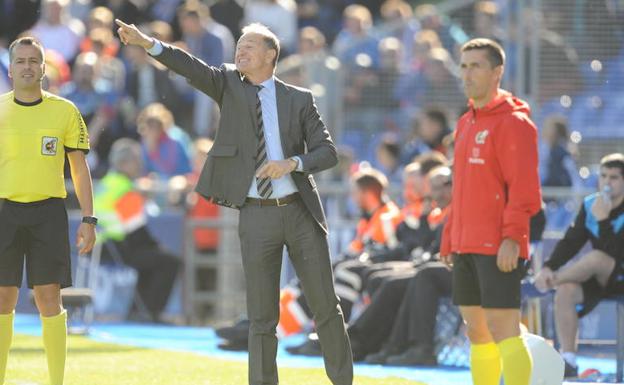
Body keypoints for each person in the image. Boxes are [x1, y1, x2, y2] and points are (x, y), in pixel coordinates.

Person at [116, 19, 353, 385]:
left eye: (249, 45)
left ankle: (342, 381)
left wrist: (292, 163)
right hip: (256, 216)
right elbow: (189, 66)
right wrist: (149, 44)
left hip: (301, 213)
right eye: (238, 44)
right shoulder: (227, 83)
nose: (240, 50)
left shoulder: (299, 99)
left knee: (326, 308)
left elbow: (327, 152)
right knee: (261, 317)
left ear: (271, 54)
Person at [439, 38, 542, 385]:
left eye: (476, 66)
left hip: (499, 245)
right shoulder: (466, 122)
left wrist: (513, 237)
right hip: (465, 243)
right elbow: (461, 188)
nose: (467, 73)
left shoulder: (514, 123)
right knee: (476, 332)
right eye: (464, 65)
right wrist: (450, 235)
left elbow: (525, 191)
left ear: (497, 72)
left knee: (504, 330)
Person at [0, 37, 96, 385]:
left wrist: (88, 218)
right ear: (10, 70)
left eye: (34, 60)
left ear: (44, 68)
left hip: (48, 213)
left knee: (48, 299)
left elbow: (79, 168)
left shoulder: (65, 111)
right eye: (21, 60)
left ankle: (56, 381)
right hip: (4, 211)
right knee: (2, 299)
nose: (27, 66)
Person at [534, 153, 624, 378]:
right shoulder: (591, 204)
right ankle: (569, 360)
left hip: (618, 273)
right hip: (601, 279)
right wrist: (548, 265)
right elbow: (571, 241)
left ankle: (551, 281)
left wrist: (603, 220)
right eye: (603, 176)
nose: (606, 182)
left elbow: (615, 253)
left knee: (596, 258)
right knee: (565, 292)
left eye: (613, 177)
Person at [95, 138, 181, 323]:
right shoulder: (126, 189)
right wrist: (157, 245)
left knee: (150, 260)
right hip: (120, 246)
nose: (140, 166)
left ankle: (137, 311)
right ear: (126, 163)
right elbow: (136, 231)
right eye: (137, 162)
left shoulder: (108, 182)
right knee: (170, 262)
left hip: (102, 246)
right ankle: (151, 312)